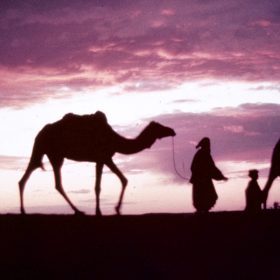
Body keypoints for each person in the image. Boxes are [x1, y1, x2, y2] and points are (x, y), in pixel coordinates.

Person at [190, 137, 227, 213]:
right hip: (203, 180)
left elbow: (210, 167)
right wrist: (221, 176)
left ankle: (202, 211)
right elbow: (211, 167)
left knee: (202, 196)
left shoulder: (202, 153)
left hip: (201, 179)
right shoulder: (204, 154)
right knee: (207, 195)